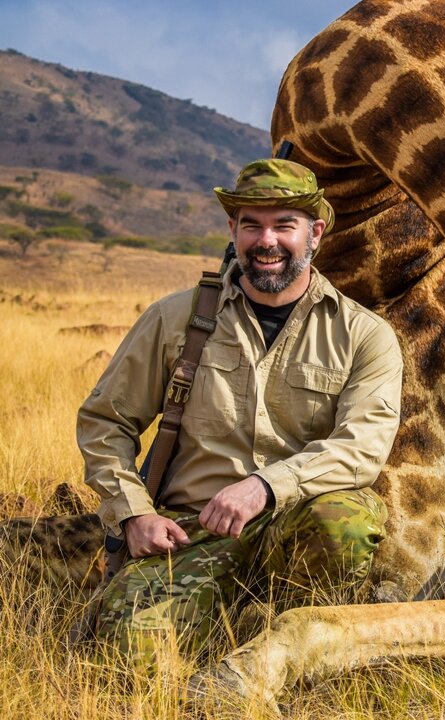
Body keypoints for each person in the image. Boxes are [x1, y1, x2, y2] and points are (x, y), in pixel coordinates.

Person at [76, 158, 402, 666]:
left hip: (293, 528)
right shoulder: (175, 318)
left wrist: (265, 487)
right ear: (234, 229)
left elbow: (362, 448)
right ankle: (226, 625)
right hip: (187, 535)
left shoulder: (363, 335)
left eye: (284, 225)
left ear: (314, 234)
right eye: (252, 224)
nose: (266, 241)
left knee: (347, 522)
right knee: (131, 659)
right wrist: (133, 512)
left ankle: (291, 633)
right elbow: (105, 422)